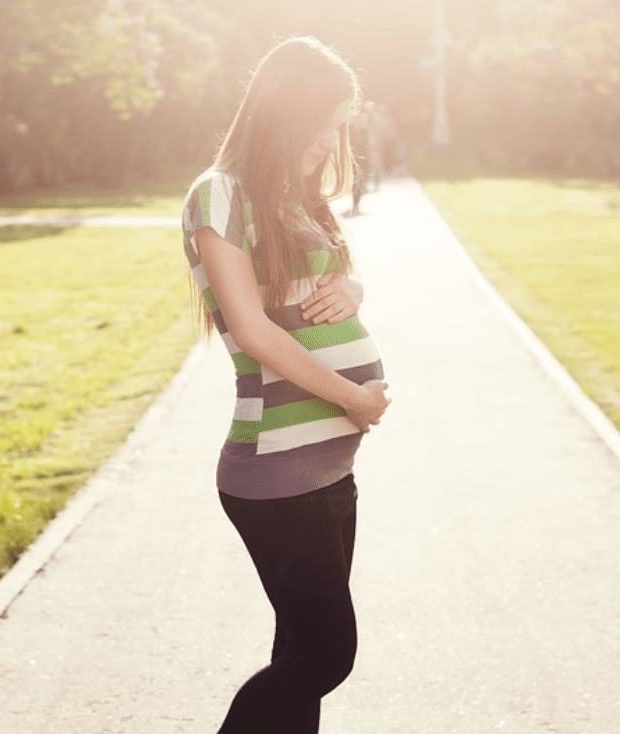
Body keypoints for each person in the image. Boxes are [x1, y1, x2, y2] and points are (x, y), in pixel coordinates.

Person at [179, 36, 390, 734]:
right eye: (322, 122)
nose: (332, 140)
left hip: (328, 468)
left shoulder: (293, 198)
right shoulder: (219, 195)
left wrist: (353, 287)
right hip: (276, 470)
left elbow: (329, 279)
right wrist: (353, 398)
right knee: (327, 656)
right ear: (284, 112)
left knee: (299, 661)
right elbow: (253, 330)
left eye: (340, 124)